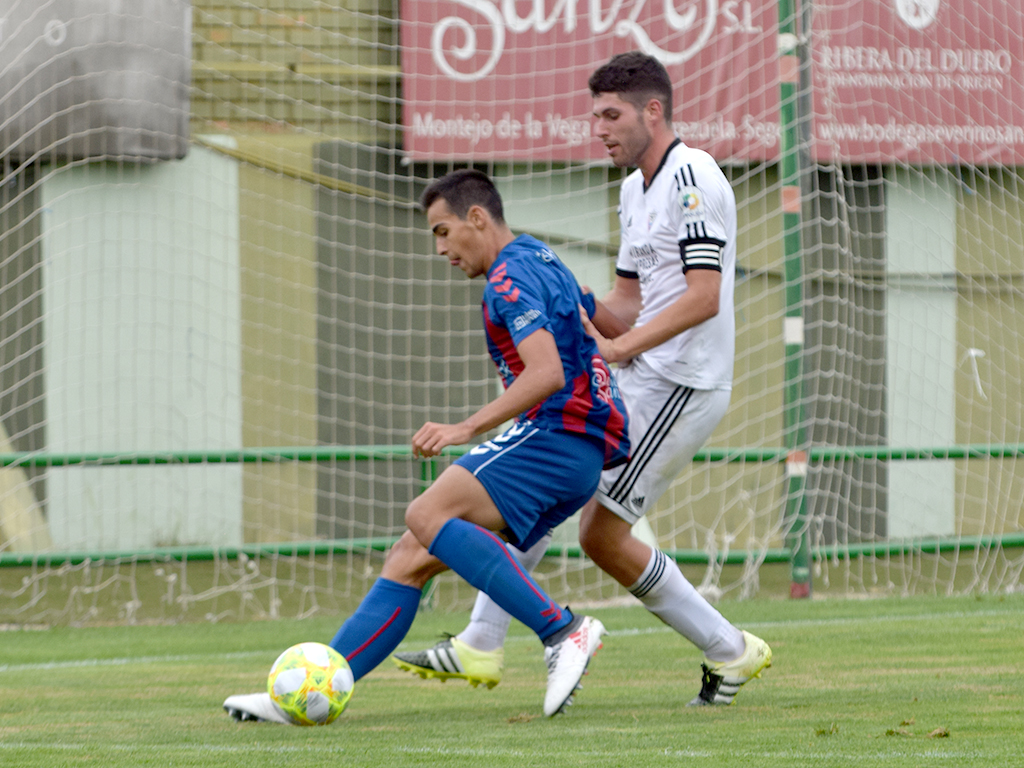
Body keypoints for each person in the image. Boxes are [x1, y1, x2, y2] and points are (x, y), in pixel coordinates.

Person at [393, 51, 771, 708]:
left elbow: (704, 297)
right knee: (548, 481)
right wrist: (564, 288)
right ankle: (484, 640)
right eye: (594, 113)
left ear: (653, 110)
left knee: (598, 532)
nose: (599, 126)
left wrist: (622, 350)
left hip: (682, 383)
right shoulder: (633, 190)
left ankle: (726, 649)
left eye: (611, 113)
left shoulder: (693, 177)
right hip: (642, 376)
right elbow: (623, 306)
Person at [222, 168, 630, 723]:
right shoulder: (541, 255)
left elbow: (547, 372)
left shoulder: (508, 281)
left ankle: (564, 631)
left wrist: (465, 427)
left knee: (425, 512)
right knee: (410, 557)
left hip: (554, 436)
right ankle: (311, 697)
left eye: (443, 231)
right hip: (577, 448)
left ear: (477, 218)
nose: (440, 248)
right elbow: (609, 324)